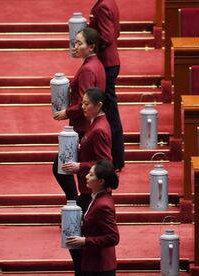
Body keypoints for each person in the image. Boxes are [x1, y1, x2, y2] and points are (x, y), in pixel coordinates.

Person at [52, 27, 106, 202]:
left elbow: (84, 102)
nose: (75, 46)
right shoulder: (97, 64)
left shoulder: (87, 70)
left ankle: (74, 204)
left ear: (91, 47)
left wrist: (65, 113)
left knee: (61, 167)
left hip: (82, 127)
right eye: (75, 42)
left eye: (79, 43)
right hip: (86, 124)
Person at [66, 159, 120, 276]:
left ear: (101, 181)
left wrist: (85, 241)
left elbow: (113, 237)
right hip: (93, 262)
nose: (86, 176)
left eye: (91, 175)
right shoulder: (96, 197)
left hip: (100, 267)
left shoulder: (103, 204)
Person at [89, 0, 125, 171]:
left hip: (107, 63)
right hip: (112, 61)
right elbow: (116, 32)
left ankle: (116, 159)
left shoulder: (103, 6)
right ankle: (116, 158)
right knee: (110, 110)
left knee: (110, 112)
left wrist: (91, 47)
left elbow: (107, 36)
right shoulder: (109, 2)